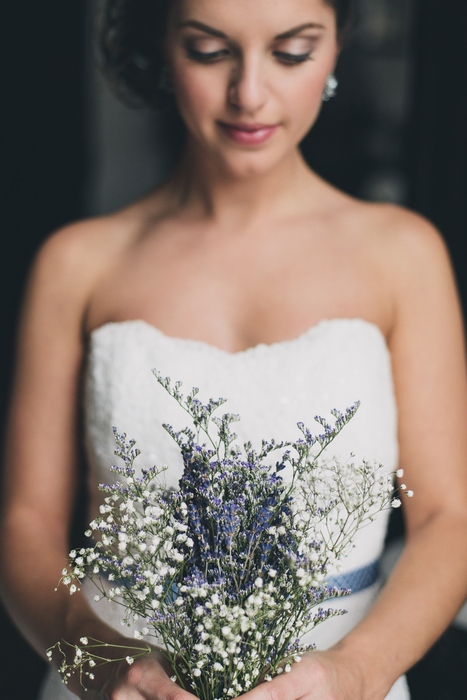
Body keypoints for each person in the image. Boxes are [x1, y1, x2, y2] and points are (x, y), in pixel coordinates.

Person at [2, 0, 467, 698]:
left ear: (336, 46)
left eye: (290, 52)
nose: (249, 93)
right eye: (210, 50)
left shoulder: (402, 255)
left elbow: (448, 519)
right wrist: (102, 668)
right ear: (161, 47)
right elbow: (25, 522)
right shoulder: (77, 265)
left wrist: (356, 670)